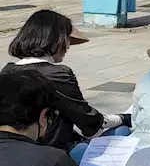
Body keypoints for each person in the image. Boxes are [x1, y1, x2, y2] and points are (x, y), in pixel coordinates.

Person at [2, 9, 125, 150]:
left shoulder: (7, 71)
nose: (67, 46)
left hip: (9, 148)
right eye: (67, 39)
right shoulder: (57, 75)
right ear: (56, 40)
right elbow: (90, 124)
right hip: (48, 152)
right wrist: (123, 118)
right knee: (121, 132)